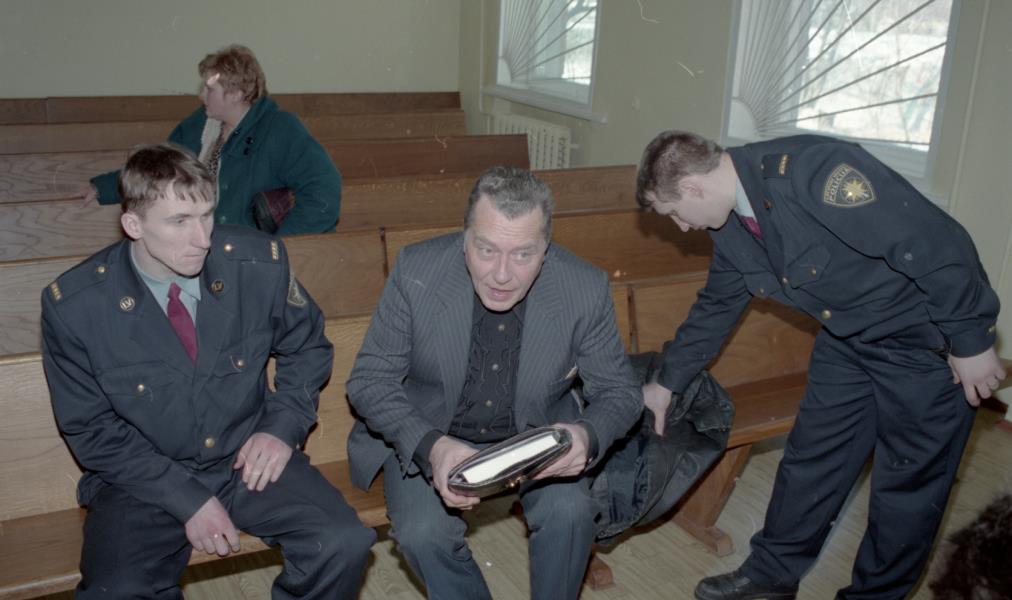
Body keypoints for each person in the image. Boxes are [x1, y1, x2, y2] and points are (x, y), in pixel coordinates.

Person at [635, 131, 1005, 600]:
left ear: (692, 187)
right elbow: (717, 304)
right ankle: (770, 577)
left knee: (906, 488)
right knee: (810, 461)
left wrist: (971, 341)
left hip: (923, 349)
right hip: (849, 340)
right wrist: (666, 383)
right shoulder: (730, 223)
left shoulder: (816, 172)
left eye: (674, 213)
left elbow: (931, 242)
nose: (682, 227)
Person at [43, 144, 373, 598]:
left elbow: (308, 346)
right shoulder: (78, 307)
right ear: (133, 225)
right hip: (144, 477)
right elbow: (90, 427)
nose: (202, 238)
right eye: (179, 221)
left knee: (343, 542)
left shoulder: (255, 264)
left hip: (245, 455)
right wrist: (187, 499)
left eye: (207, 215)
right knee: (117, 589)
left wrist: (281, 427)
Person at [346, 165, 642, 600]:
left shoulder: (583, 287)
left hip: (534, 434)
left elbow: (620, 391)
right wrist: (433, 448)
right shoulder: (417, 271)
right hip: (431, 429)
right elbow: (370, 380)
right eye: (486, 250)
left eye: (523, 254)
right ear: (464, 239)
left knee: (571, 513)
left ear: (545, 249)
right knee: (422, 532)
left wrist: (587, 435)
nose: (502, 275)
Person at [83, 44, 342, 234]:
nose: (201, 95)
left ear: (236, 93)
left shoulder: (279, 128)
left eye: (210, 89)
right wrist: (104, 188)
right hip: (201, 242)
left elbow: (324, 192)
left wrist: (279, 247)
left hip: (249, 252)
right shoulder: (198, 126)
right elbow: (159, 171)